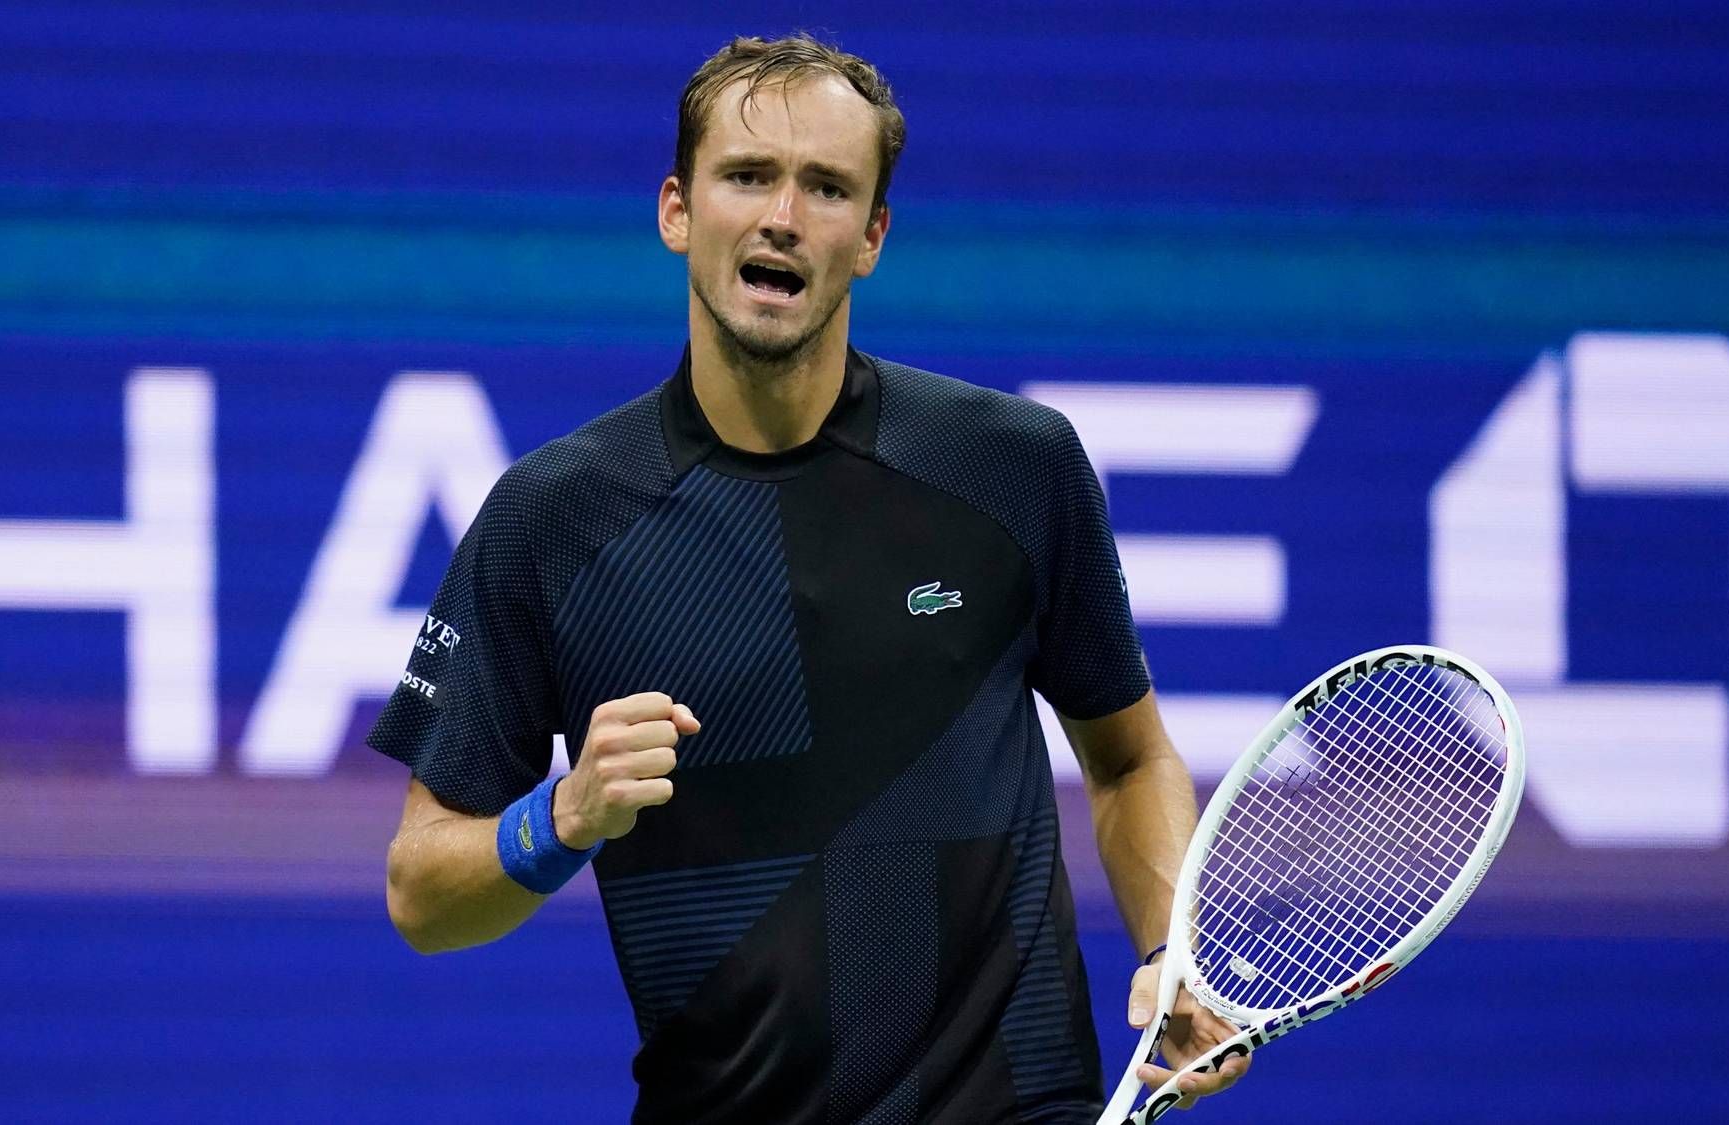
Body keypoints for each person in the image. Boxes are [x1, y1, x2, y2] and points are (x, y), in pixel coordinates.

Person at [368, 32, 1247, 1124]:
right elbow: (420, 891)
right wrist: (563, 814)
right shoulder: (554, 518)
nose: (783, 216)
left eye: (826, 187)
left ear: (871, 236)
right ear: (677, 211)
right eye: (747, 176)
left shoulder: (1011, 467)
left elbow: (1128, 760)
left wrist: (1171, 951)